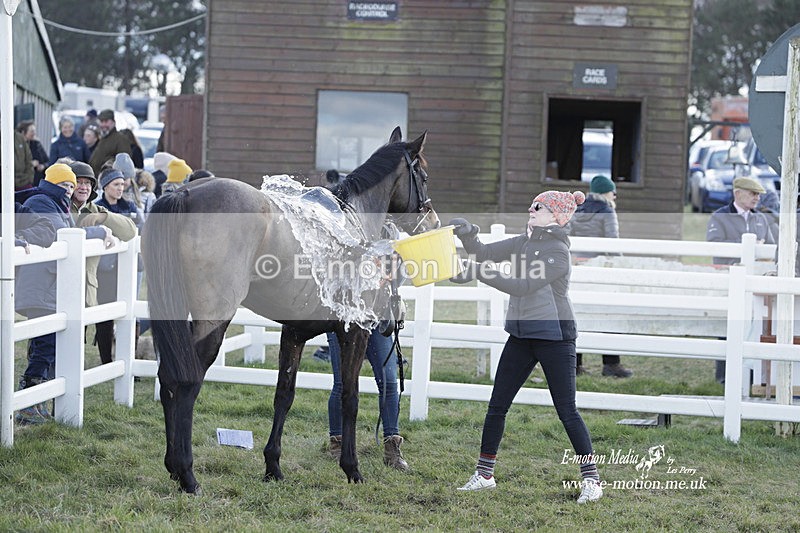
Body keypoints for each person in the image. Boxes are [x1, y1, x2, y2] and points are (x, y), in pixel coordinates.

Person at [449, 190, 603, 504]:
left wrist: (480, 273)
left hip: (555, 339)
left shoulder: (558, 252)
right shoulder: (523, 242)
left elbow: (523, 286)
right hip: (521, 337)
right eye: (532, 204)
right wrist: (469, 236)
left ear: (556, 216)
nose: (530, 209)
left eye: (539, 207)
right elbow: (483, 252)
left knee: (567, 412)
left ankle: (592, 481)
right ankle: (484, 475)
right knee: (497, 406)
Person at [14, 163, 113, 424]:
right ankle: (28, 402)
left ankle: (35, 402)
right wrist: (98, 231)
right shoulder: (42, 201)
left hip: (50, 286)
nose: (70, 190)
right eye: (65, 185)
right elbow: (62, 234)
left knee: (46, 345)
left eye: (72, 186)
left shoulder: (56, 203)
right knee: (44, 345)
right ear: (52, 183)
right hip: (42, 286)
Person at [707, 176, 775, 383]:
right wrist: (747, 248)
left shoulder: (761, 218)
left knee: (754, 325)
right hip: (729, 277)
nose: (757, 198)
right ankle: (724, 375)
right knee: (726, 325)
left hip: (754, 280)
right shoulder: (720, 216)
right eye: (753, 194)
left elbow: (771, 246)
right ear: (738, 193)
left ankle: (752, 373)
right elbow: (715, 245)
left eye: (758, 195)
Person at [567, 175, 631, 378]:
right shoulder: (607, 211)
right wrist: (619, 266)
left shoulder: (577, 210)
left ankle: (574, 364)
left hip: (578, 268)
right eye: (613, 191)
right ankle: (611, 364)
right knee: (609, 315)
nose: (615, 195)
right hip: (602, 268)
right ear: (606, 193)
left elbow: (567, 238)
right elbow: (613, 243)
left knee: (578, 315)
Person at [325, 329, 409, 470]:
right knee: (342, 382)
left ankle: (392, 449)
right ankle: (338, 445)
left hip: (376, 316)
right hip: (343, 317)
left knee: (389, 381)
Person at [68, 160, 137, 315]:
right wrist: (100, 231)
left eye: (87, 183)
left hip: (87, 290)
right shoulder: (60, 207)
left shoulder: (95, 209)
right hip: (61, 287)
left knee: (81, 338)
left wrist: (102, 217)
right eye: (78, 182)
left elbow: (130, 231)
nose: (83, 187)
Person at [93, 167, 144, 364]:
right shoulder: (96, 207)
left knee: (130, 315)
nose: (120, 188)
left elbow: (141, 228)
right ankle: (106, 361)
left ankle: (129, 359)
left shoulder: (131, 207)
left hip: (129, 269)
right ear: (105, 187)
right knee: (105, 316)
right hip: (105, 271)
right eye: (116, 184)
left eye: (122, 184)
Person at [89, 109, 131, 176]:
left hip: (109, 180)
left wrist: (109, 164)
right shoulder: (103, 138)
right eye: (101, 122)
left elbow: (124, 161)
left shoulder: (121, 139)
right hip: (97, 179)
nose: (103, 124)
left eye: (106, 121)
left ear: (113, 122)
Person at [16, 121, 49, 186]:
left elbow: (47, 161)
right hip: (23, 182)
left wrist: (43, 166)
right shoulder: (16, 146)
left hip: (38, 181)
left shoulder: (36, 144)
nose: (34, 133)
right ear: (23, 132)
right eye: (31, 131)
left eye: (34, 131)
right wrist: (31, 164)